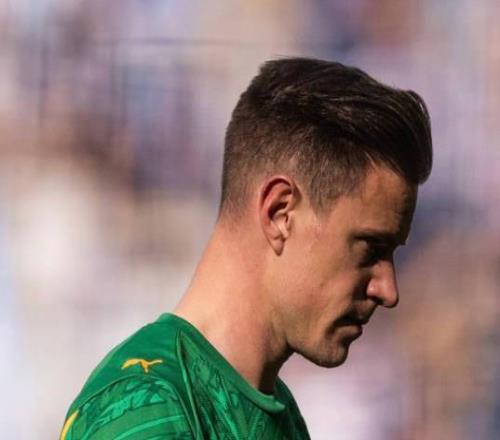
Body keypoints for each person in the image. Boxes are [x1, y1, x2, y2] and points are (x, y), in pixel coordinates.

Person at [59, 57, 432, 439]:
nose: (388, 290)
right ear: (280, 213)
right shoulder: (145, 407)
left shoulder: (281, 415)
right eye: (370, 248)